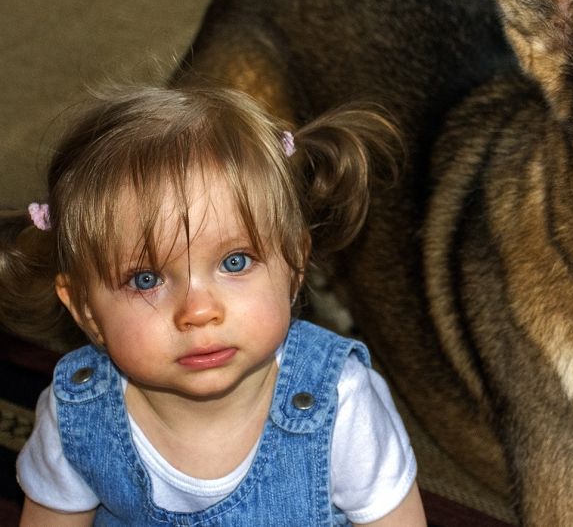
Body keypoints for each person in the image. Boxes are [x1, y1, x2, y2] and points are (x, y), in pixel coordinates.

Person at [0, 86, 426, 526]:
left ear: (294, 265)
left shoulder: (340, 400)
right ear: (86, 310)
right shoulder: (78, 412)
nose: (199, 311)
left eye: (234, 262)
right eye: (146, 279)